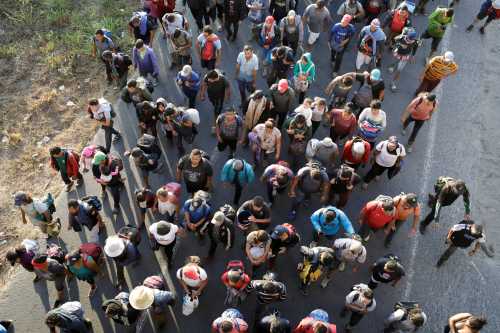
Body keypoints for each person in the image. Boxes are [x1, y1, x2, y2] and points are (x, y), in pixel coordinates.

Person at [388, 27, 420, 92]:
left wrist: (413, 56)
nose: (408, 41)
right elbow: (394, 39)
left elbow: (415, 48)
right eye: (408, 39)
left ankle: (393, 83)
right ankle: (392, 66)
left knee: (399, 70)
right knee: (395, 61)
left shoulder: (415, 42)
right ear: (407, 36)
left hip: (405, 56)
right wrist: (399, 45)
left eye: (411, 40)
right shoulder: (402, 37)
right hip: (398, 53)